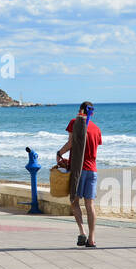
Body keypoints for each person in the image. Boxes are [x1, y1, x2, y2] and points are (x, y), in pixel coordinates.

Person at [57, 102, 102, 248]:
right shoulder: (96, 129)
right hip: (92, 170)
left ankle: (82, 232)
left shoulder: (75, 123)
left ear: (79, 111)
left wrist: (60, 153)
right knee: (90, 205)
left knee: (75, 201)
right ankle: (92, 239)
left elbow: (71, 142)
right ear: (92, 113)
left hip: (79, 169)